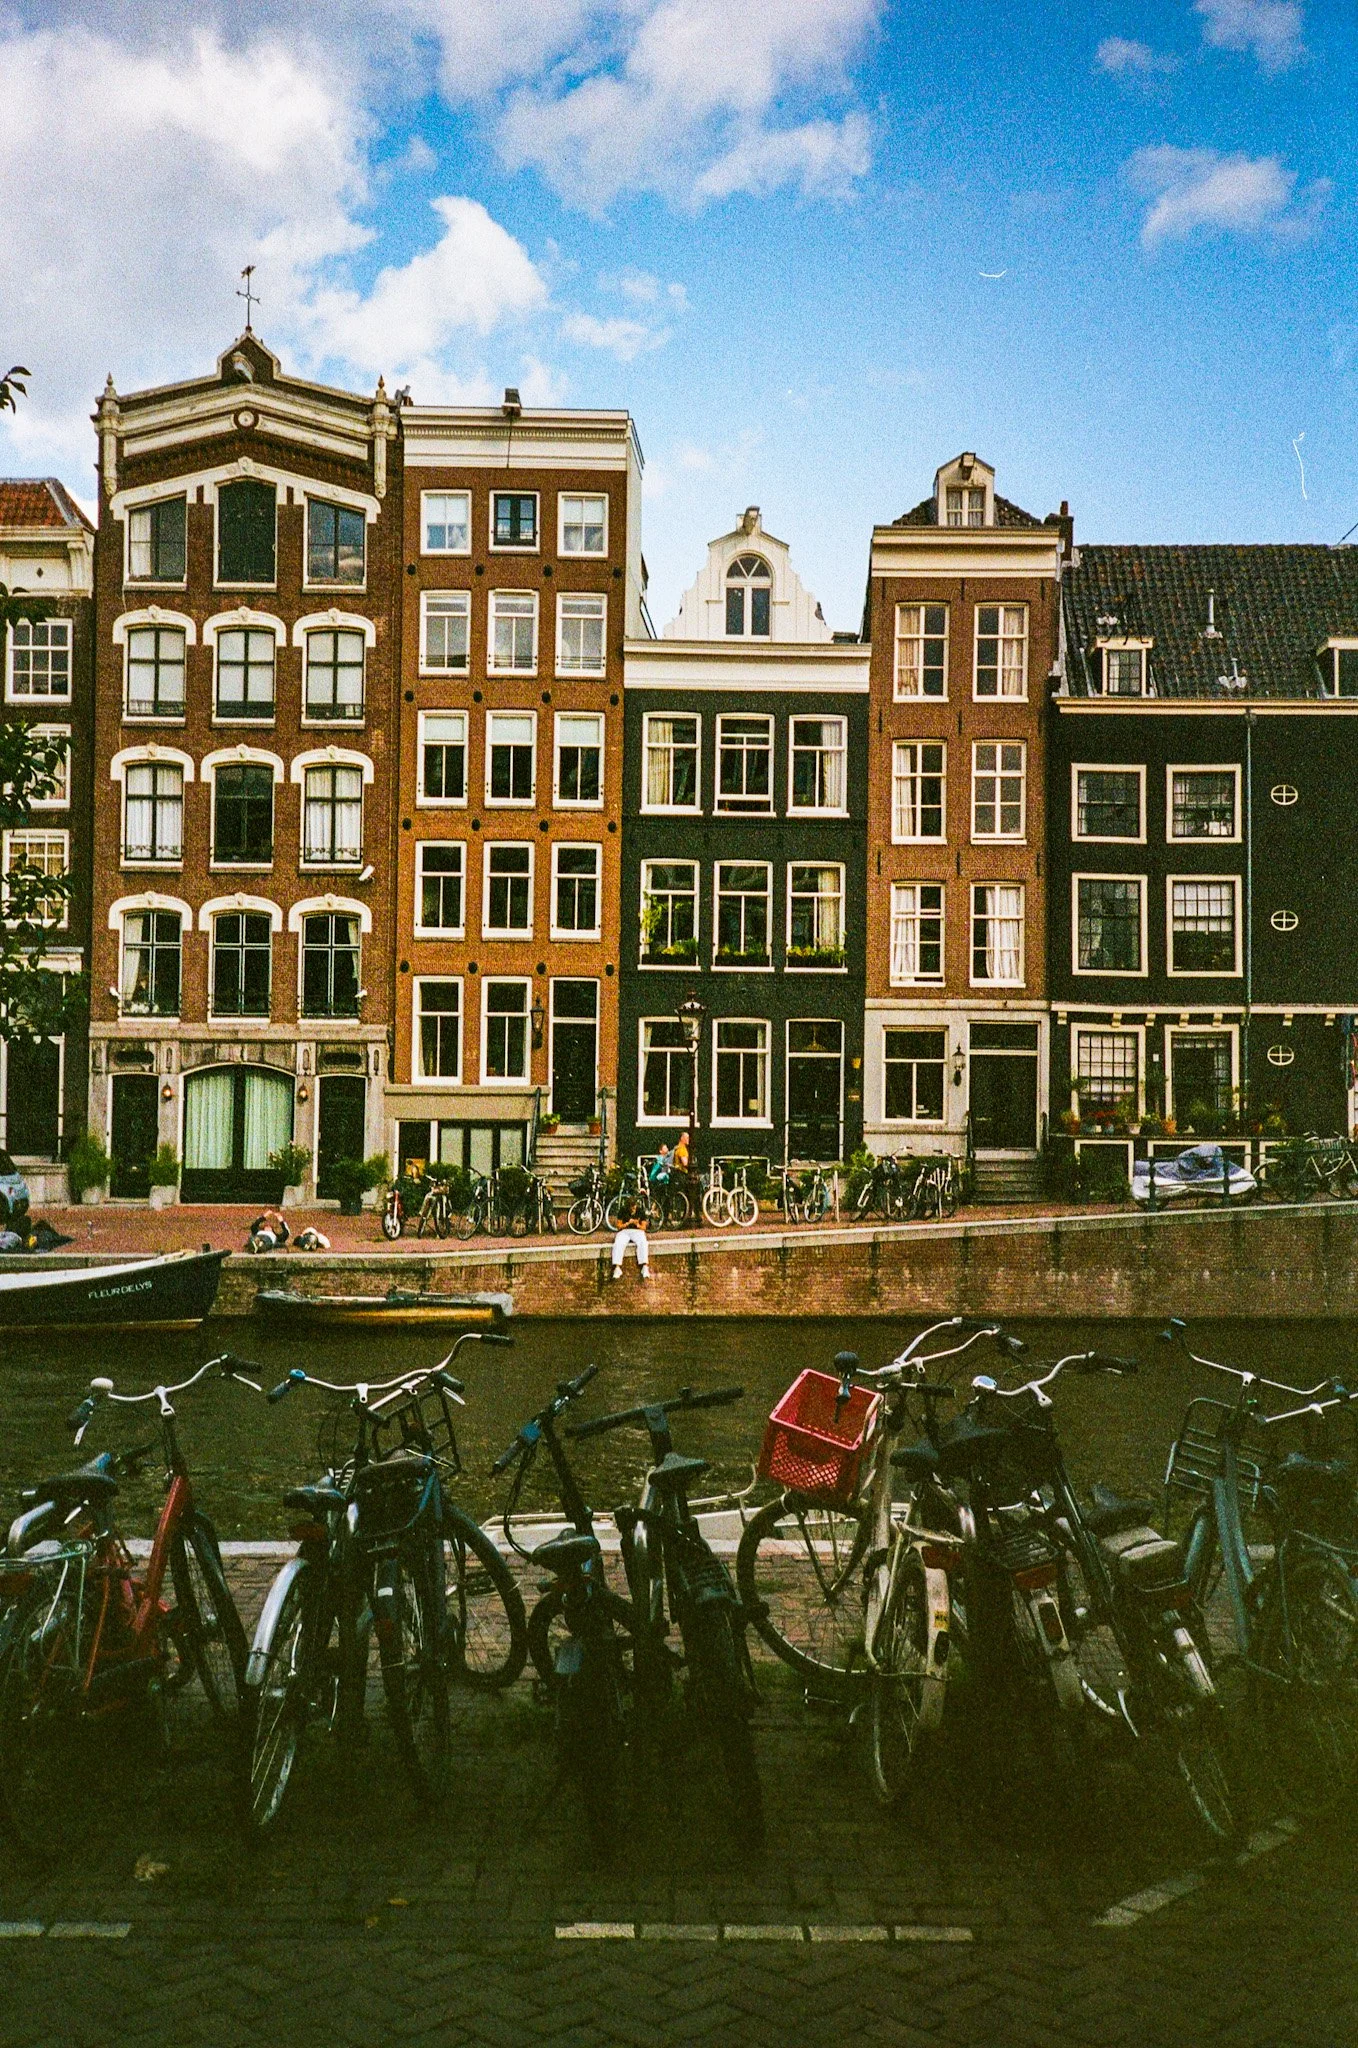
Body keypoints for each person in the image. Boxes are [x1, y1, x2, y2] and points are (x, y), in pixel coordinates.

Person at [610, 1184, 650, 1282]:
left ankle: (644, 1266)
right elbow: (618, 1226)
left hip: (637, 1231)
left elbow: (643, 1227)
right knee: (618, 1243)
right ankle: (617, 1267)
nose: (633, 1209)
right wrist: (627, 1223)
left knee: (643, 1242)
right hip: (625, 1231)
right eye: (631, 1207)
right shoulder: (623, 1210)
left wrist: (637, 1225)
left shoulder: (640, 1211)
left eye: (634, 1207)